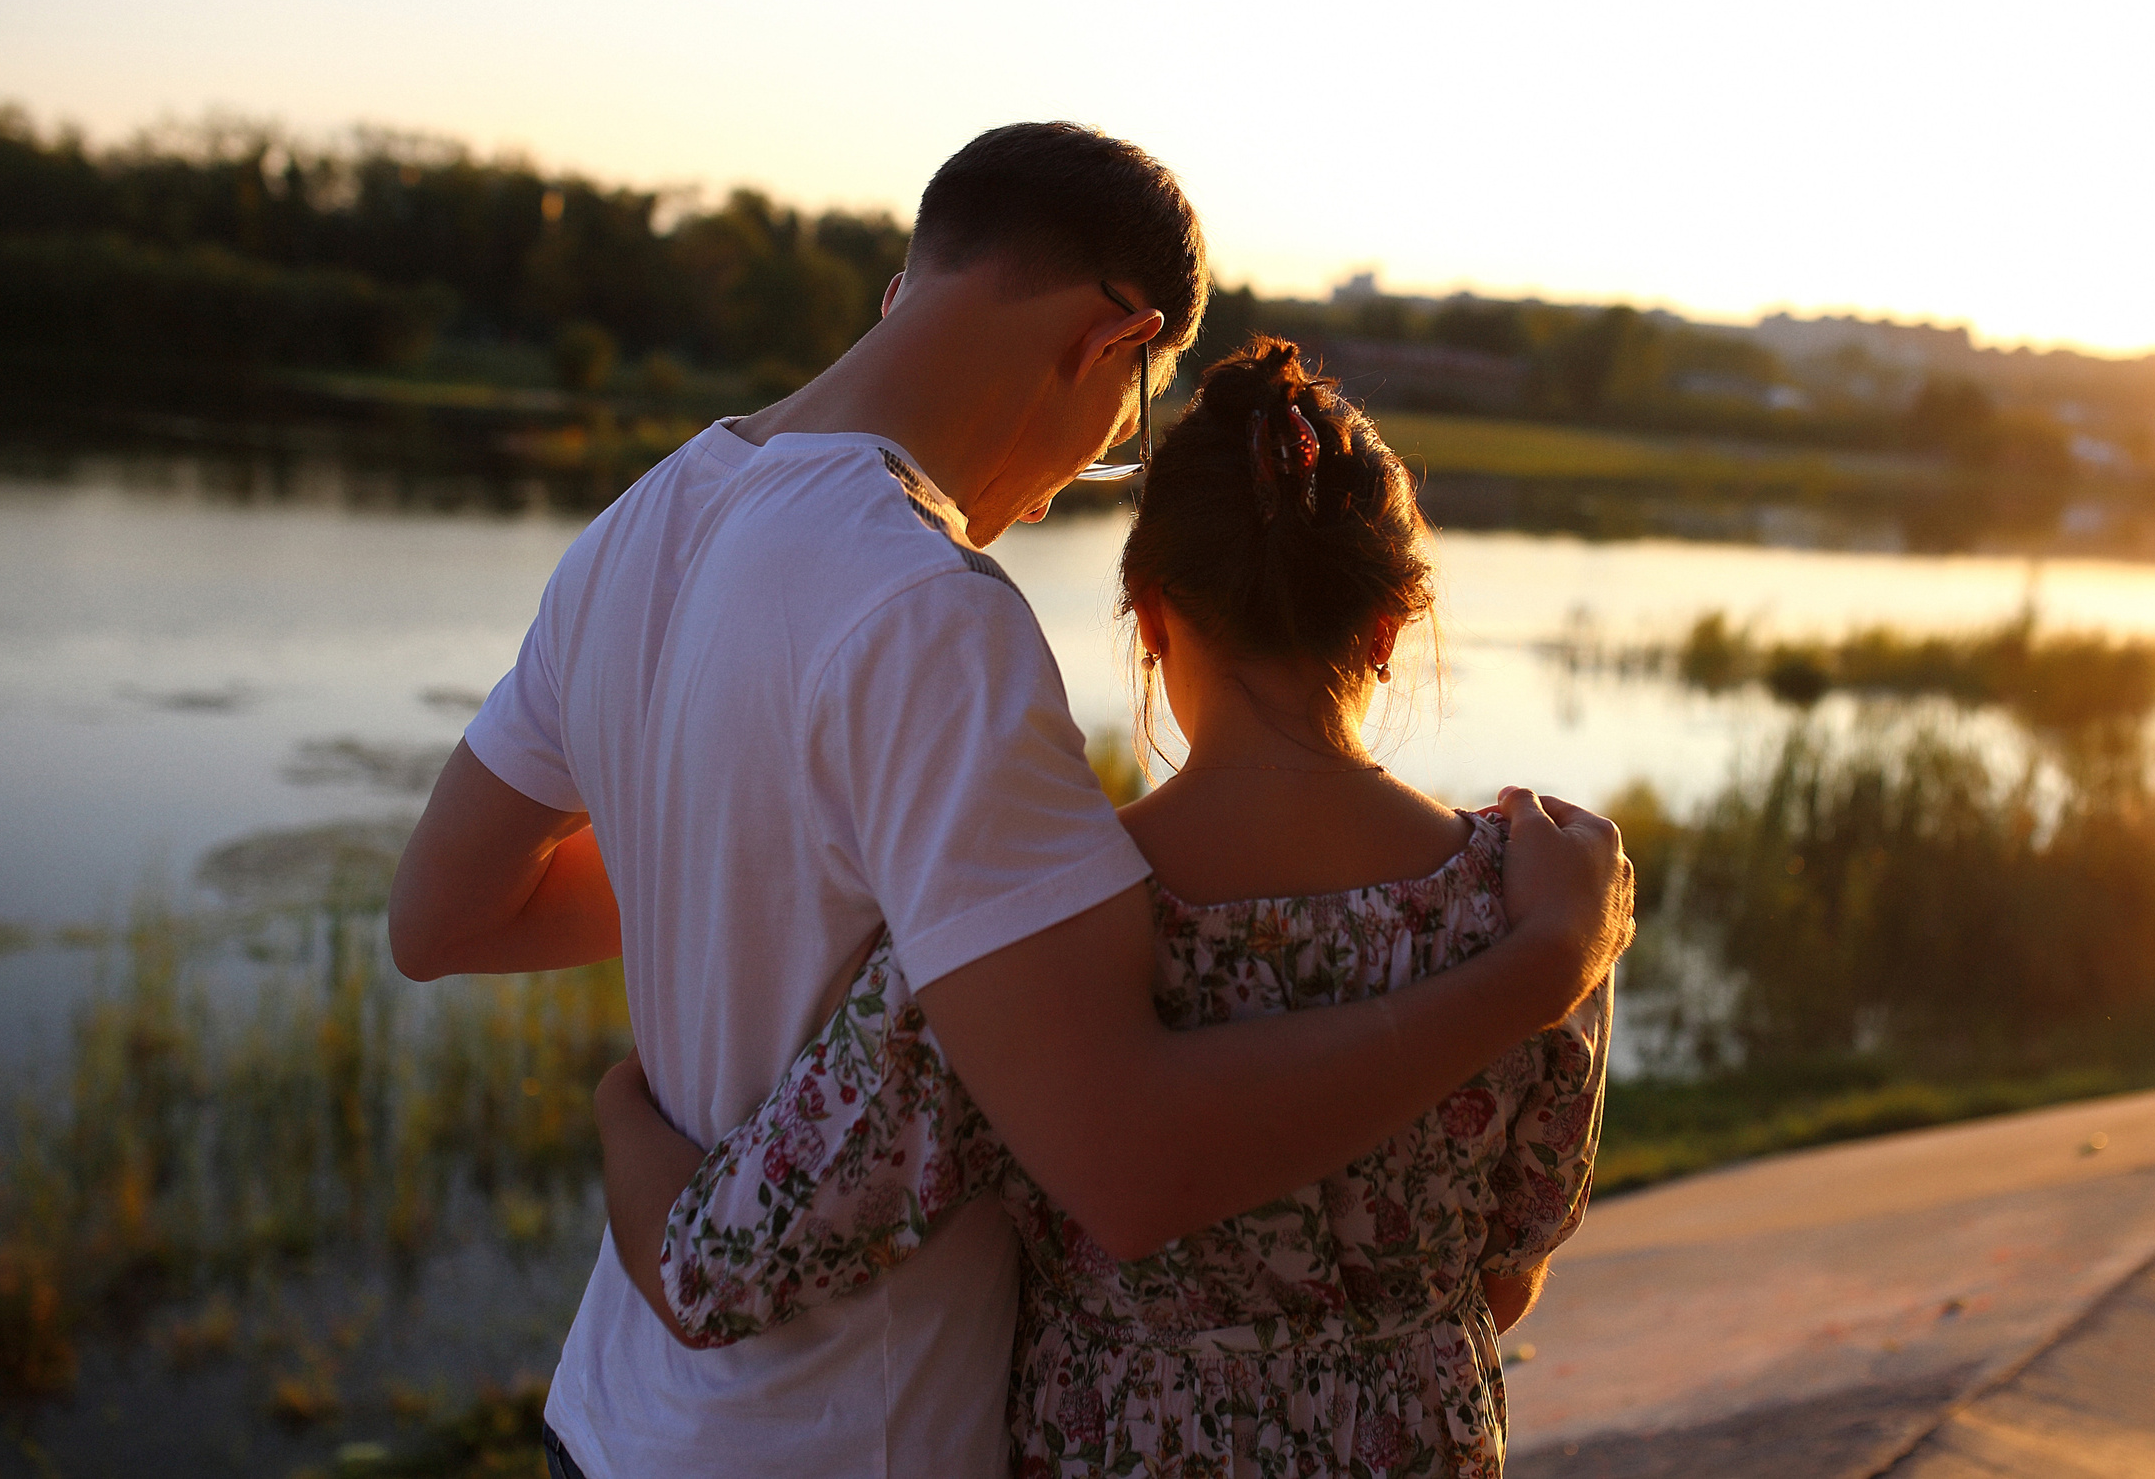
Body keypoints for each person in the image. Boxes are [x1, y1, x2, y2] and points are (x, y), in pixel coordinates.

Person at [385, 122, 1633, 1479]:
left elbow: (443, 913)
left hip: (618, 1415)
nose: (1054, 503)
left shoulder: (640, 525)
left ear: (904, 288)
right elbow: (1132, 1162)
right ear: (1113, 340)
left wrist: (721, 926)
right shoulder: (929, 610)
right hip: (842, 1441)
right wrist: (1539, 970)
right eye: (1123, 422)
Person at [597, 339, 1612, 1477]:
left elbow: (726, 1266)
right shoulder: (1539, 904)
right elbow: (1511, 1269)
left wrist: (620, 1103)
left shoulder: (1034, 911)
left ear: (1151, 612)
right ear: (1387, 630)